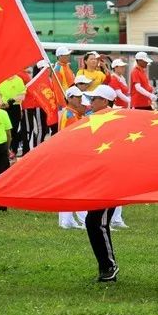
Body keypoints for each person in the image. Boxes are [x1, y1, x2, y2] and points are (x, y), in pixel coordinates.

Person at [80, 84, 123, 281]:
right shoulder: (95, 119)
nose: (89, 102)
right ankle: (106, 266)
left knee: (98, 222)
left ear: (105, 101)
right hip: (99, 179)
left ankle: (109, 267)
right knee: (93, 222)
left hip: (111, 181)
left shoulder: (117, 120)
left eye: (93, 99)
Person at [57, 87, 88, 229]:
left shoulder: (72, 114)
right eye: (76, 97)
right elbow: (73, 136)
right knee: (74, 187)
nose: (79, 99)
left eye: (80, 97)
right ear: (69, 98)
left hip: (68, 154)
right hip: (69, 155)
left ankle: (67, 220)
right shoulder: (69, 115)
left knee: (70, 187)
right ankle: (76, 220)